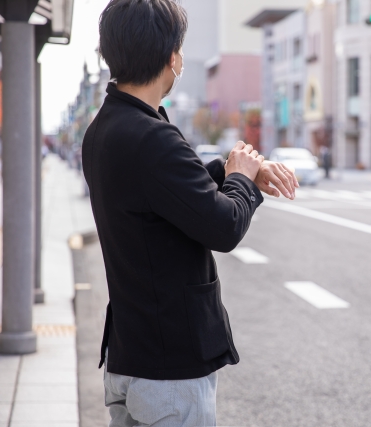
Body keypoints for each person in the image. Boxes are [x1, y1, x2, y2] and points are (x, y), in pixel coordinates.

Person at [82, 1, 298, 426]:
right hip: (170, 371)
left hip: (131, 353)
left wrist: (237, 169)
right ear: (172, 58)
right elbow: (224, 226)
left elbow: (165, 192)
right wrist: (242, 180)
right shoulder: (151, 137)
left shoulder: (105, 128)